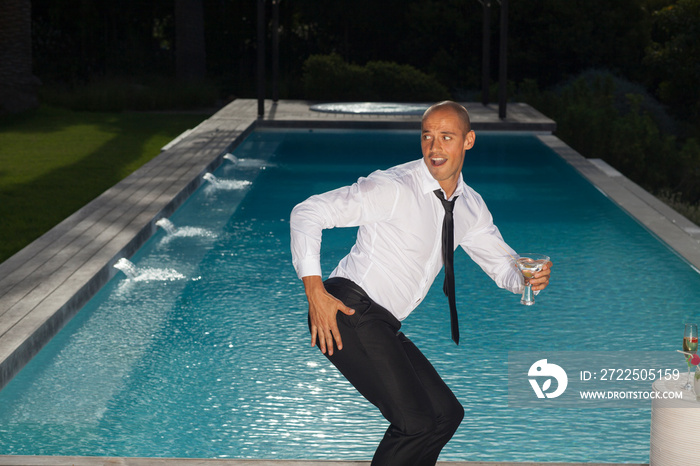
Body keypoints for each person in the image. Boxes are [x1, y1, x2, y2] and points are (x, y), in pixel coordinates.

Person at [289, 101, 552, 465]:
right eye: (427, 136)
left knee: (445, 415)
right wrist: (314, 292)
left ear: (468, 141)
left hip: (379, 321)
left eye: (446, 137)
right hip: (347, 308)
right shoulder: (394, 187)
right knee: (414, 423)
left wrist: (529, 279)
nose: (434, 147)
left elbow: (505, 267)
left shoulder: (470, 207)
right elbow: (307, 212)